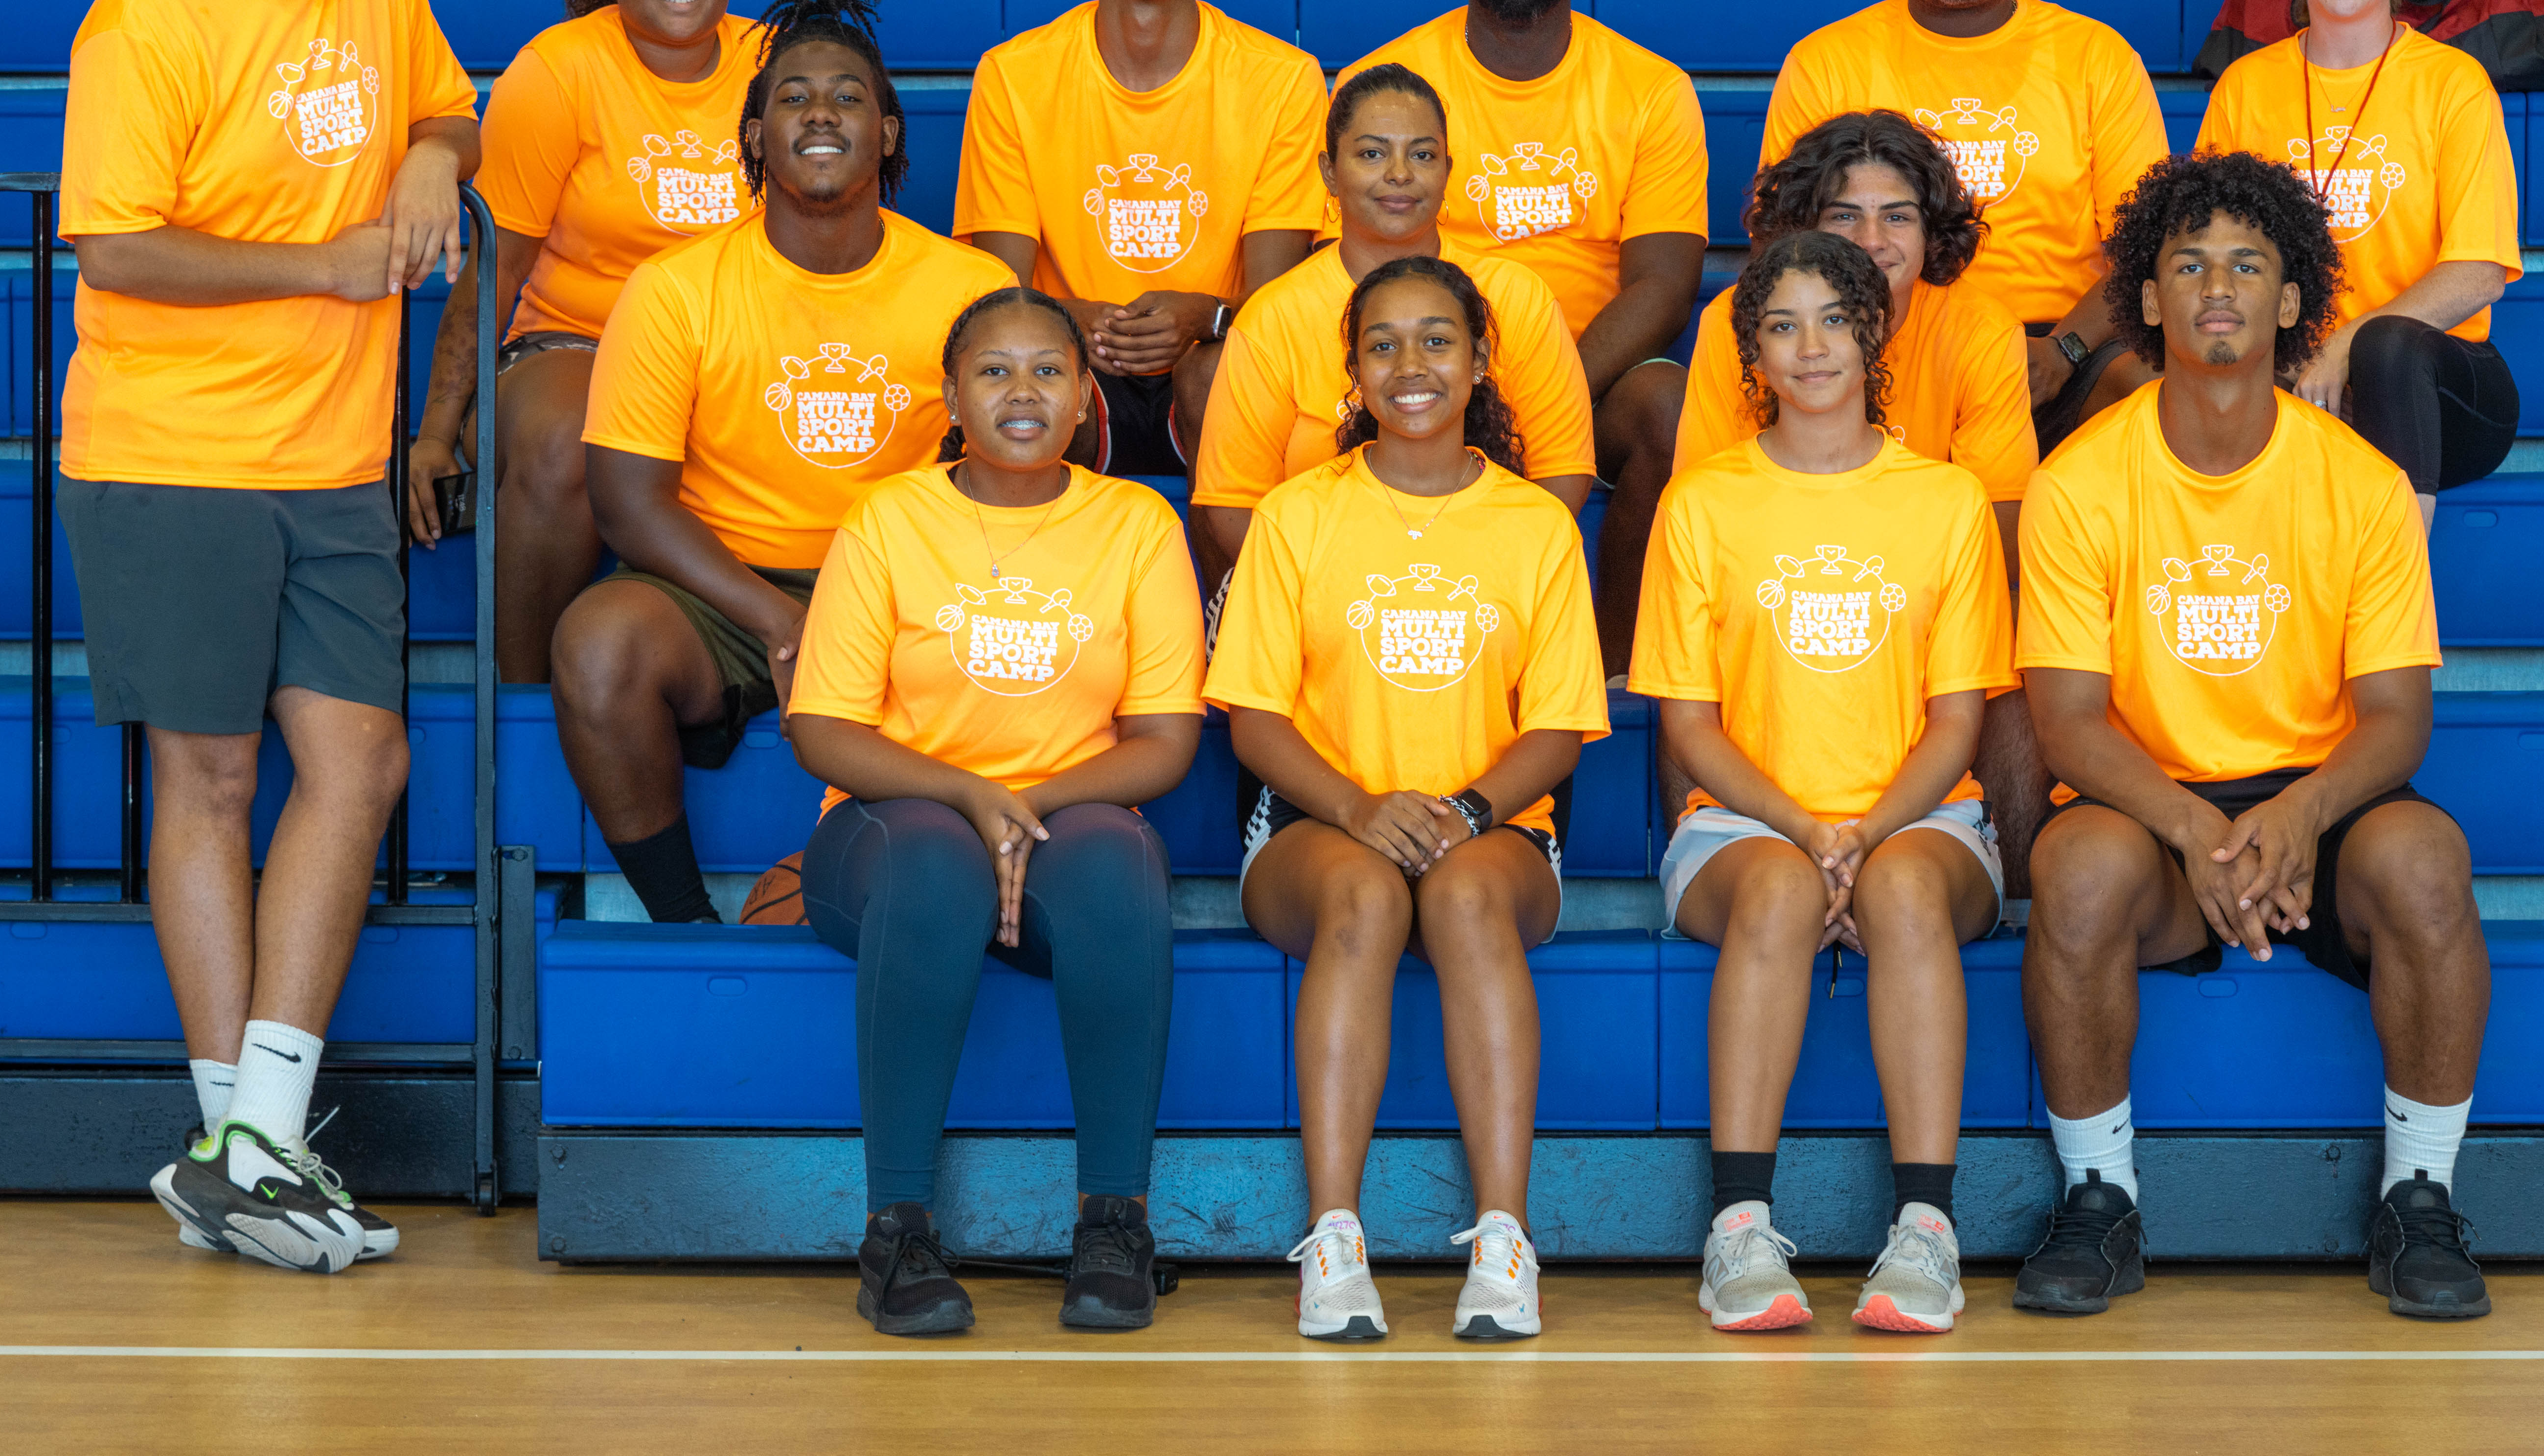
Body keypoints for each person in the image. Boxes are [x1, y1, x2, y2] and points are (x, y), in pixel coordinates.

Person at [58, 0, 477, 1270]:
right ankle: (245, 1130)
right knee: (213, 781)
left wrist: (436, 156)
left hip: (329, 457)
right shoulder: (151, 13)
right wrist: (319, 262)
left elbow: (442, 105)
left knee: (359, 760)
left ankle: (256, 1142)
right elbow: (114, 248)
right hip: (172, 454)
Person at [2015, 153, 2490, 1323]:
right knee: (2071, 870)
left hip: (2320, 802)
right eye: (2187, 264)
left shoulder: (2362, 482)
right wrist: (2189, 827)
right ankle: (2098, 1200)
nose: (2216, 286)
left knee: (2427, 861)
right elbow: (2068, 719)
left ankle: (2419, 1197)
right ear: (2146, 299)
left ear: (2291, 300)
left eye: (2246, 264)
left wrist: (2296, 815)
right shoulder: (2082, 482)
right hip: (2152, 796)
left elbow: (2397, 716)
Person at [787, 287, 1205, 1336]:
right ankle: (898, 1230)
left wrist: (1026, 807)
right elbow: (824, 729)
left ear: (1084, 398)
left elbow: (1164, 744)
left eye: (1049, 370)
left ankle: (1114, 1221)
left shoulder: (1136, 523)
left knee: (1116, 863)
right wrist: (972, 797)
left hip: (1066, 823)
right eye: (995, 370)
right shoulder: (888, 515)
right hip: (888, 831)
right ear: (951, 395)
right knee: (937, 859)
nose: (1024, 391)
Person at [1208, 255, 1610, 1344]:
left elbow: (1562, 724)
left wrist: (1469, 811)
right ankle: (1335, 1238)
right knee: (1370, 899)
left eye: (1437, 340)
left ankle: (1503, 1237)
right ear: (1352, 374)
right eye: (1382, 344)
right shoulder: (1296, 515)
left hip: (1493, 823)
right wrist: (1356, 807)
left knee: (1466, 898)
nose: (1411, 364)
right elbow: (1253, 718)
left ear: (1481, 362)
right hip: (1316, 823)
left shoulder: (1534, 524)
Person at [551, 0, 1016, 926]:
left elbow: (1021, 475)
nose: (819, 113)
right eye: (792, 98)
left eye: (847, 97)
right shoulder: (676, 288)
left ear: (887, 134)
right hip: (727, 588)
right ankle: (682, 925)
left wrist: (861, 612)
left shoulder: (972, 287)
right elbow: (627, 503)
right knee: (598, 645)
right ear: (756, 139)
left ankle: (939, 891)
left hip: (909, 584)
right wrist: (778, 618)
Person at [1635, 229, 2016, 1335]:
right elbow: (1688, 727)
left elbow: (1958, 722)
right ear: (1751, 349)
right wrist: (1808, 829)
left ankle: (1925, 1235)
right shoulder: (1702, 502)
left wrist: (1865, 830)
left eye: (1833, 319)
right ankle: (1738, 1230)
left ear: (1873, 334)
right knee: (1782, 888)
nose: (1809, 347)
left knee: (1898, 887)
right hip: (1743, 825)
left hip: (1924, 817)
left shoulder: (1943, 500)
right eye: (1781, 324)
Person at [1338, 0, 1710, 674]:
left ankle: (1616, 670)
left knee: (1672, 409)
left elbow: (1665, 283)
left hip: (1589, 373)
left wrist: (1544, 386)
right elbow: (1358, 260)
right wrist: (1459, 374)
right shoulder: (1390, 87)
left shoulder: (1650, 89)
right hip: (1422, 361)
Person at [405, 0, 760, 679]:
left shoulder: (773, 61)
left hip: (735, 351)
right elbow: (496, 265)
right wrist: (433, 435)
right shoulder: (560, 69)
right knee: (569, 439)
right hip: (580, 341)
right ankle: (523, 699)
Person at [1673, 111, 2046, 875]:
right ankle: (1707, 847)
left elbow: (2001, 531)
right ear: (1804, 227)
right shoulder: (1739, 327)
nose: (1872, 239)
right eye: (1846, 215)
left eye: (1897, 216)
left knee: (2011, 657)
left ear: (1932, 230)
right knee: (1701, 658)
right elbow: (1705, 524)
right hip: (1779, 587)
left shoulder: (1979, 327)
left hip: (1929, 597)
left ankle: (1995, 873)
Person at [1761, 0, 2168, 451]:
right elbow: (1786, 238)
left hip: (2055, 337)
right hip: (1883, 333)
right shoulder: (1826, 62)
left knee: (2151, 386)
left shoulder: (2098, 58)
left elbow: (2146, 248)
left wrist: (2065, 347)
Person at [957, 0, 1327, 477]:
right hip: (1076, 363)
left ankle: (1236, 583)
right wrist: (1076, 322)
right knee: (1026, 368)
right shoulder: (1014, 75)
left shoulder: (1282, 79)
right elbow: (1001, 295)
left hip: (1211, 361)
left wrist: (1201, 318)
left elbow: (1277, 306)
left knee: (1225, 371)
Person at [2196, 0, 2522, 524]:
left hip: (2436, 380)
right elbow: (2210, 249)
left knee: (2387, 347)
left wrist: (2345, 346)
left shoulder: (2453, 85)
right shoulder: (2246, 88)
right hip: (2295, 375)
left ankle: (2396, 618)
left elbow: (2481, 271)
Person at [1191, 62, 1594, 588]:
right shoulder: (1275, 316)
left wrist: (1465, 577)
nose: (1399, 173)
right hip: (1318, 589)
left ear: (1448, 170)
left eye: (1422, 155)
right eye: (1372, 153)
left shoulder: (1518, 296)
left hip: (1486, 586)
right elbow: (1232, 507)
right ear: (1330, 172)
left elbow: (1561, 474)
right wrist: (1347, 592)